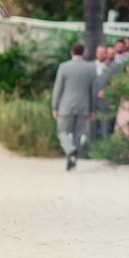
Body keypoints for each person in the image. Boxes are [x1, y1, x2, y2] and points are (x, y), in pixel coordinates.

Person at [51, 42, 96, 170]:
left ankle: (70, 151)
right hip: (83, 106)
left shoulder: (64, 67)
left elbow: (58, 89)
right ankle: (72, 159)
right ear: (83, 52)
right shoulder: (90, 68)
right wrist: (91, 109)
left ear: (72, 52)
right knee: (78, 134)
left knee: (62, 131)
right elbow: (92, 91)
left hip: (66, 106)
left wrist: (54, 106)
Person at [92, 45, 114, 141]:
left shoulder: (112, 67)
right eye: (98, 52)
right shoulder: (90, 66)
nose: (100, 54)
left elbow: (116, 83)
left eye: (102, 53)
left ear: (106, 54)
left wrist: (107, 91)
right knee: (91, 127)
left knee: (105, 126)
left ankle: (105, 146)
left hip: (105, 102)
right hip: (91, 102)